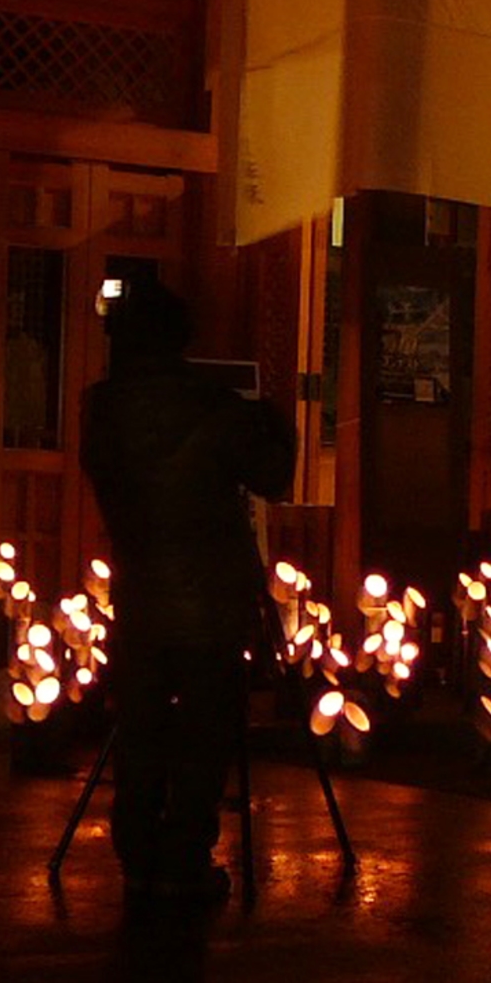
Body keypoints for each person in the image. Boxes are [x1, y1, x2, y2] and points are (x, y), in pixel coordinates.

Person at [82, 281, 296, 905]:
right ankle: (183, 857)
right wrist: (274, 418)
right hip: (210, 596)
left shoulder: (102, 408)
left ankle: (139, 855)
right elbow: (274, 477)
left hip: (139, 591)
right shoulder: (215, 407)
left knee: (142, 727)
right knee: (204, 731)